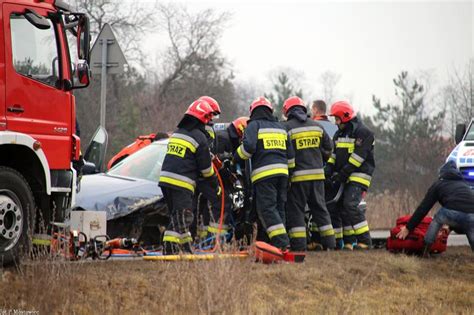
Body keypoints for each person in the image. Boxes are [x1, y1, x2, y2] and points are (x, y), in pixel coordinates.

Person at [159, 99, 219, 255]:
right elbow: (206, 170)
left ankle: (186, 248)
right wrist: (215, 185)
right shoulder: (200, 137)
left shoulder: (178, 133)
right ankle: (169, 247)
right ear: (203, 118)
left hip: (165, 181)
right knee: (185, 216)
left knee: (178, 216)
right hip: (181, 183)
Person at [234, 97, 294, 250]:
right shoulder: (281, 127)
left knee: (267, 209)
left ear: (253, 112)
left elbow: (248, 148)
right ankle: (277, 245)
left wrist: (235, 157)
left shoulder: (254, 125)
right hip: (283, 174)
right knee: (279, 208)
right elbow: (291, 156)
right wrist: (289, 174)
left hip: (264, 175)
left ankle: (282, 243)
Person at [282, 96, 336, 251]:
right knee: (320, 209)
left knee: (297, 211)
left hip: (298, 178)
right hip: (318, 177)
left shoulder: (287, 128)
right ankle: (330, 244)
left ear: (288, 111)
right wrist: (319, 157)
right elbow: (329, 147)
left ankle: (299, 246)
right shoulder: (317, 126)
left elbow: (285, 153)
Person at [325, 101, 375, 250]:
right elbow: (333, 156)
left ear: (344, 117)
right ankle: (346, 243)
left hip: (358, 175)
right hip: (344, 176)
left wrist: (340, 175)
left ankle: (365, 241)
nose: (335, 122)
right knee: (338, 208)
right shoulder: (339, 133)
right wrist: (327, 171)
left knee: (350, 205)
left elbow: (357, 159)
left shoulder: (363, 133)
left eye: (337, 118)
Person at [396, 160, 474, 252]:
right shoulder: (464, 185)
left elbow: (423, 208)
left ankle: (426, 248)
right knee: (470, 229)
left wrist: (409, 228)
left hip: (451, 213)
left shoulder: (439, 184)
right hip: (472, 214)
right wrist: (450, 227)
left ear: (442, 173)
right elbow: (461, 211)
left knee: (438, 219)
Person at [193, 96, 224, 242]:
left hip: (192, 175)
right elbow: (209, 153)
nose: (213, 118)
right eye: (212, 114)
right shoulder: (208, 130)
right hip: (204, 176)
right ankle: (210, 239)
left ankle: (195, 238)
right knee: (216, 202)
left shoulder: (191, 128)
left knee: (196, 208)